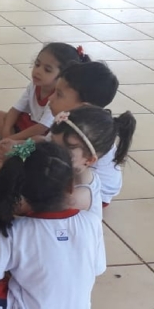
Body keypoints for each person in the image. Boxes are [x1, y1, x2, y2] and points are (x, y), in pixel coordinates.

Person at [0, 141, 106, 309]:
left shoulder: (14, 230)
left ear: (20, 194)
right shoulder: (91, 221)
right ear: (71, 186)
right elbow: (98, 268)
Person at [46, 62, 126, 207]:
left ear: (83, 106)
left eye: (59, 94)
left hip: (94, 194)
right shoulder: (69, 122)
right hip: (73, 171)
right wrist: (20, 147)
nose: (50, 98)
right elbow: (45, 143)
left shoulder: (87, 135)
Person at [0, 43, 89, 149]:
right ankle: (11, 145)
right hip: (28, 125)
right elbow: (16, 109)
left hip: (42, 134)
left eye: (47, 70)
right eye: (37, 64)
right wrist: (7, 132)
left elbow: (42, 128)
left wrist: (12, 139)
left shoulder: (57, 97)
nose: (38, 71)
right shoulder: (33, 85)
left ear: (61, 76)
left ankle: (13, 147)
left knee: (39, 141)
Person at [50, 106, 136, 217]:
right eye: (52, 143)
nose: (52, 152)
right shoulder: (73, 159)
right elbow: (40, 141)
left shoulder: (77, 197)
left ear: (89, 160)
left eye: (65, 152)